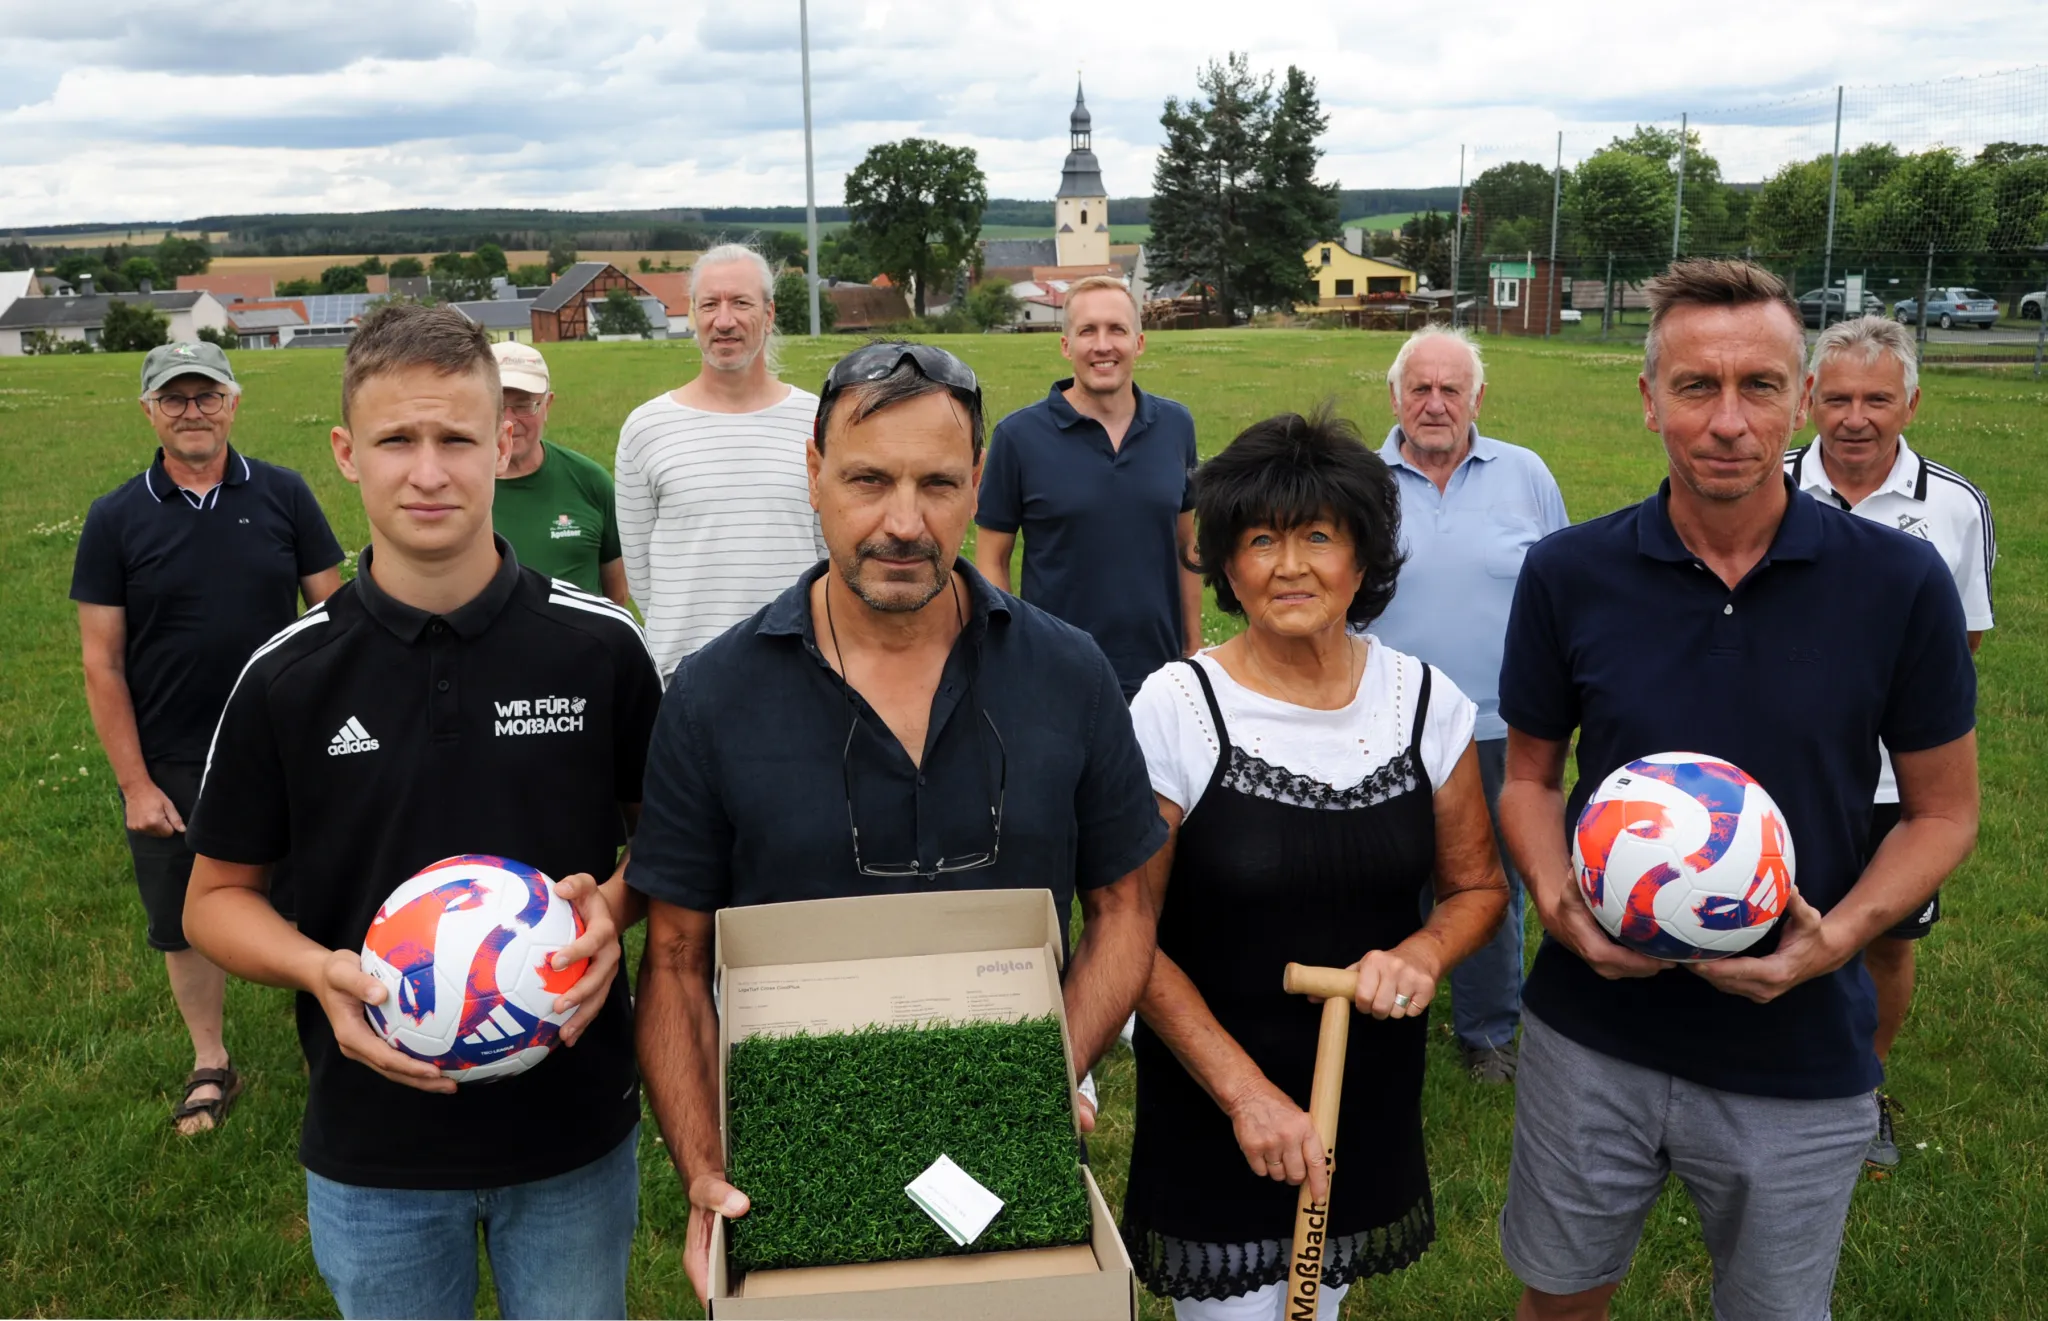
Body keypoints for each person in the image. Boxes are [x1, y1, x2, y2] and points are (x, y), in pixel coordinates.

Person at [629, 341, 1166, 1304]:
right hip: (790, 1171)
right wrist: (704, 1171)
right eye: (869, 480)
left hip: (1017, 1154)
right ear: (813, 473)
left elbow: (1125, 910)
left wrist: (1042, 1076)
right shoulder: (714, 695)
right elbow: (672, 958)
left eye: (939, 483)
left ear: (978, 487)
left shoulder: (1070, 673)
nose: (904, 523)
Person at [1496, 260, 1980, 1321]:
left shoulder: (1895, 584)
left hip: (1797, 1046)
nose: (1725, 421)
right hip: (1592, 1031)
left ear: (1800, 399)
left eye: (1758, 385)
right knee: (1559, 1300)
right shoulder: (1567, 572)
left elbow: (1944, 810)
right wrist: (1552, 899)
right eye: (1693, 386)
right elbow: (1529, 775)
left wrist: (1835, 937)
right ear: (1645, 399)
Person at [181, 305, 662, 1320]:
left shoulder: (599, 648)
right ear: (347, 455)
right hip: (374, 1146)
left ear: (505, 442)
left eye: (457, 439)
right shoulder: (286, 678)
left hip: (569, 1132)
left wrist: (617, 908)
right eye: (398, 440)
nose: (429, 471)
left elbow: (670, 838)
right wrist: (318, 969)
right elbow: (215, 899)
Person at [1120, 410, 1509, 1321]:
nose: (1289, 565)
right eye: (1260, 540)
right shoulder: (1178, 708)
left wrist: (1422, 955)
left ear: (1363, 558)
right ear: (1225, 565)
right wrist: (1246, 1095)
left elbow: (1478, 886)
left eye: (1317, 537)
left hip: (1360, 1091)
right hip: (1223, 1104)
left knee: (1317, 1305)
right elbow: (1125, 928)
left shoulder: (1425, 704)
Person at [72, 340, 342, 1136]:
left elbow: (333, 615)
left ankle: (327, 1048)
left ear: (234, 401)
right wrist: (135, 784)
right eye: (174, 397)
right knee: (181, 916)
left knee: (317, 901)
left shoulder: (285, 495)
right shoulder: (115, 518)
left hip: (286, 750)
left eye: (207, 395)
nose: (193, 410)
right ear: (149, 410)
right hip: (175, 760)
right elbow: (102, 663)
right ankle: (210, 1059)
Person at [1788, 313, 1995, 1170]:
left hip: (1893, 785)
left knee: (1884, 939)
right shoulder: (1774, 484)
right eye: (1837, 398)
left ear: (1911, 401)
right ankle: (1769, 1078)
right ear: (1808, 401)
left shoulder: (1954, 506)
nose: (1855, 418)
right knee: (1771, 921)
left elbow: (1965, 643)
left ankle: (1861, 1088)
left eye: (1877, 398)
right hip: (1789, 766)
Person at [1364, 325, 1568, 1083]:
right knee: (1380, 873)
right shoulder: (1362, 479)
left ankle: (1486, 1031)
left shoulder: (1526, 474)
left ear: (1478, 397)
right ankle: (1382, 1009)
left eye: (1452, 388)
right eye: (1420, 387)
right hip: (1381, 723)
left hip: (1496, 723)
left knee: (1486, 881)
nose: (1436, 403)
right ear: (1395, 396)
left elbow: (1563, 595)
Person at [974, 274, 1204, 699]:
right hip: (1056, 675)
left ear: (1138, 342)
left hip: (1161, 677)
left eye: (1117, 329)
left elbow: (1186, 544)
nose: (1103, 345)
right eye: (1087, 331)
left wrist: (1192, 647)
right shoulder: (1018, 437)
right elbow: (992, 559)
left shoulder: (1177, 425)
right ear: (1066, 346)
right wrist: (1006, 652)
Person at [616, 243, 824, 678]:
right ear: (694, 315)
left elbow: (832, 554)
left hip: (796, 673)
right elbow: (641, 575)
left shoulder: (818, 421)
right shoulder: (646, 428)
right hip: (683, 680)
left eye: (741, 303)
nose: (723, 321)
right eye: (709, 305)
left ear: (768, 315)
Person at [490, 340, 628, 603]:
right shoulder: (458, 488)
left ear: (547, 405)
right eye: (497, 405)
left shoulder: (590, 481)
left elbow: (617, 595)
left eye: (523, 405)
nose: (509, 420)